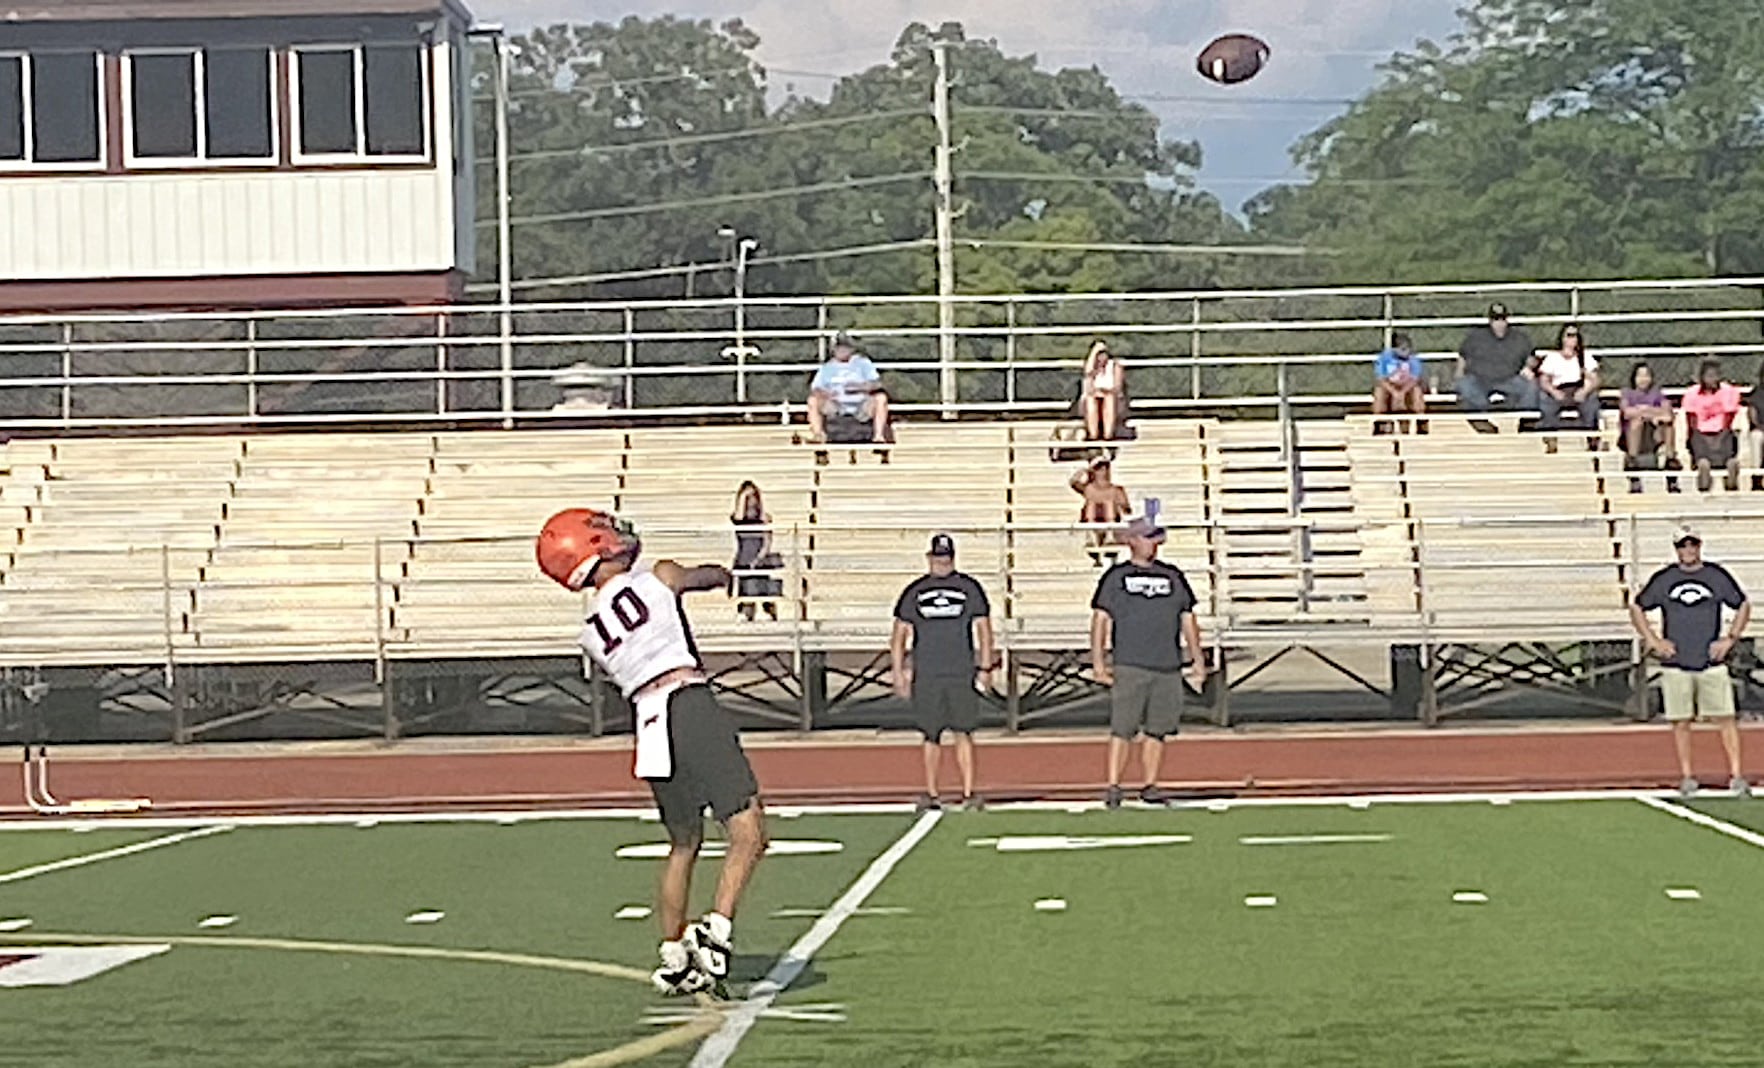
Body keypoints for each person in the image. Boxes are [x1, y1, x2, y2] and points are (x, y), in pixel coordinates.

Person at [536, 508, 767, 997]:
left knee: (684, 843)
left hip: (649, 721)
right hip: (688, 704)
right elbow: (696, 577)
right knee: (748, 828)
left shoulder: (591, 631)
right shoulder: (658, 578)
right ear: (594, 546)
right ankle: (717, 933)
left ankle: (673, 952)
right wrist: (722, 574)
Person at [1090, 515, 1208, 809]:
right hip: (1131, 662)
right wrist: (1098, 661)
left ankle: (1150, 784)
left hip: (1167, 664)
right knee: (1123, 728)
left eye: (1155, 538)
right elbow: (1101, 619)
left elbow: (1188, 618)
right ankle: (1114, 784)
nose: (1152, 544)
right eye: (1146, 538)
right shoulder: (1116, 578)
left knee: (1158, 729)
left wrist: (1198, 659)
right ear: (1132, 541)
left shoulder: (1173, 576)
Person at [1629, 526, 1751, 798]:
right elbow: (1638, 606)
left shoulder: (1715, 576)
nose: (1688, 550)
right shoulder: (1665, 579)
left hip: (1710, 662)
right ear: (1677, 549)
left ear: (1699, 546)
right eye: (1683, 546)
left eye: (1692, 545)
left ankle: (1737, 774)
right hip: (1677, 662)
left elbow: (1742, 603)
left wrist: (1730, 638)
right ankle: (1687, 775)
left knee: (1725, 718)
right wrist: (1653, 639)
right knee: (1681, 721)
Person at [890, 533, 997, 812]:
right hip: (927, 672)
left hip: (960, 670)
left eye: (946, 558)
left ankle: (969, 791)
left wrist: (985, 667)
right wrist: (899, 670)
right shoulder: (914, 591)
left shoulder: (969, 587)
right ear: (929, 558)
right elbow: (900, 633)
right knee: (930, 734)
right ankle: (932, 792)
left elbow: (984, 629)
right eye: (937, 558)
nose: (942, 563)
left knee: (964, 731)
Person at [807, 331, 892, 446]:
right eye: (838, 348)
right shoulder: (827, 367)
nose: (841, 350)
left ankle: (879, 436)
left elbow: (877, 384)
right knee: (813, 401)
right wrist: (826, 394)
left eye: (845, 347)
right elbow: (815, 389)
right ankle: (818, 435)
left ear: (851, 348)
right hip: (836, 405)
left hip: (862, 404)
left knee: (881, 398)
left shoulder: (863, 363)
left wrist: (860, 388)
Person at [1456, 303, 1538, 412]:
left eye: (1502, 319)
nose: (1499, 323)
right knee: (1465, 384)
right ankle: (1484, 416)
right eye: (1495, 319)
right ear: (1490, 321)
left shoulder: (1520, 338)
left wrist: (1529, 367)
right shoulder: (1475, 337)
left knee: (1530, 386)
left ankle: (1524, 420)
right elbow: (1462, 358)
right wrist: (1459, 375)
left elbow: (1531, 359)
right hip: (1480, 381)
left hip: (1510, 380)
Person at [1680, 358, 1743, 493]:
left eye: (1716, 375)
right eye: (1709, 376)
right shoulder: (1693, 393)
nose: (1713, 379)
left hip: (1722, 431)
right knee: (1700, 449)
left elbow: (1729, 418)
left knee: (1727, 441)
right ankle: (1703, 473)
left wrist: (1721, 434)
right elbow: (1691, 420)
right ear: (1702, 377)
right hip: (1701, 432)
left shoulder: (1728, 391)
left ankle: (1730, 476)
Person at [1535, 323, 1602, 449]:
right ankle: (1550, 438)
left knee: (1591, 401)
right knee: (1545, 399)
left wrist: (1585, 391)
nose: (1572, 339)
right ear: (1562, 338)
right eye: (1569, 335)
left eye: (1575, 336)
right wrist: (1554, 392)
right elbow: (1544, 380)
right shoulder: (1552, 357)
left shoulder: (1585, 356)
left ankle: (1592, 437)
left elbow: (1596, 379)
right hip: (1559, 390)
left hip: (1579, 389)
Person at [1619, 363, 1680, 492]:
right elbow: (1627, 412)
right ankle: (1632, 461)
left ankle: (1670, 461)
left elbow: (1668, 414)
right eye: (1640, 376)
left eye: (1646, 375)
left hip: (1654, 433)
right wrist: (1650, 414)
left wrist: (1646, 410)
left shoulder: (1657, 394)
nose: (1643, 379)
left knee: (1667, 424)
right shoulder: (1627, 394)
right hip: (1632, 435)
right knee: (1637, 422)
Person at [731, 481, 782, 621]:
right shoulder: (740, 518)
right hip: (745, 555)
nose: (751, 500)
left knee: (765, 580)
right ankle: (747, 610)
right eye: (749, 497)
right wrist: (743, 495)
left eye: (754, 496)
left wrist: (761, 556)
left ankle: (769, 609)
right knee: (747, 585)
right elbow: (739, 515)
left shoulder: (763, 519)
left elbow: (768, 540)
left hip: (760, 555)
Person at [1070, 456, 1131, 563]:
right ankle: (1091, 537)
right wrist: (1083, 471)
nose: (1104, 473)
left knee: (1108, 505)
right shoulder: (1088, 488)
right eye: (1099, 470)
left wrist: (1121, 504)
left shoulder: (1116, 490)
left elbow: (1127, 509)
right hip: (1092, 519)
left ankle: (1110, 537)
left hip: (1110, 520)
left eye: (1105, 469)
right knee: (1091, 505)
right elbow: (1073, 482)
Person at [1081, 339, 1127, 442]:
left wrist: (1105, 391)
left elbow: (1117, 388)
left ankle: (1108, 435)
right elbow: (1088, 376)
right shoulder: (1091, 369)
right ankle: (1093, 436)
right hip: (1094, 399)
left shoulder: (1115, 366)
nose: (1101, 357)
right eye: (1098, 355)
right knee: (1091, 400)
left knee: (1109, 398)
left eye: (1103, 354)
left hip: (1113, 399)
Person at [1372, 332, 1425, 422]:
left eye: (1408, 348)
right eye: (1403, 349)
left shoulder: (1413, 359)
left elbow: (1414, 379)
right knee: (1379, 393)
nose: (1407, 352)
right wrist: (1394, 391)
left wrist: (1402, 392)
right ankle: (1379, 423)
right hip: (1390, 385)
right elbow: (1381, 378)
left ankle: (1421, 423)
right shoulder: (1384, 358)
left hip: (1407, 386)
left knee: (1417, 392)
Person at [1746, 358, 1764, 491]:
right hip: (1761, 429)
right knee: (1756, 436)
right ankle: (1757, 478)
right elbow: (1752, 416)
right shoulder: (1757, 393)